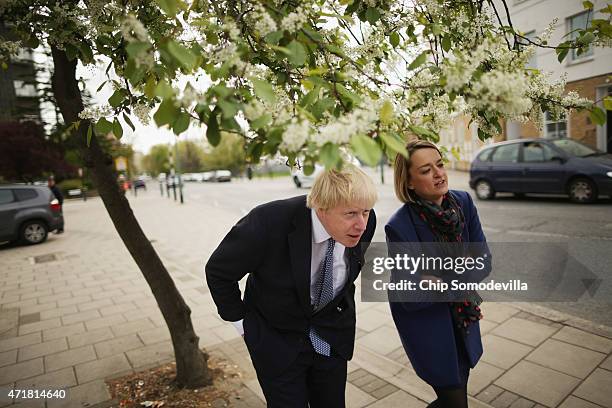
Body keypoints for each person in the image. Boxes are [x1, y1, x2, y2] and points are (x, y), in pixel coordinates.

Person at [206, 165, 377, 408]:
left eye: (366, 212)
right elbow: (219, 272)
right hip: (277, 345)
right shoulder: (268, 222)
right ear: (320, 206)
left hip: (331, 342)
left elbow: (348, 273)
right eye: (350, 214)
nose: (361, 224)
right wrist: (244, 326)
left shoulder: (365, 224)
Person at [385, 140, 490, 408]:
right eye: (426, 170)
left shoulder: (463, 203)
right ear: (409, 182)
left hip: (463, 322)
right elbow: (409, 295)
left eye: (440, 165)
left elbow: (484, 262)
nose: (439, 174)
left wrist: (439, 280)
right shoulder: (400, 226)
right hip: (431, 330)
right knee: (454, 399)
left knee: (454, 397)